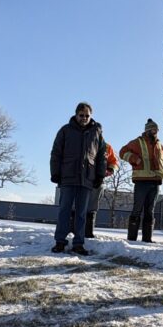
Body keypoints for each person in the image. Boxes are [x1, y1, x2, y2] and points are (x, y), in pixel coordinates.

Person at [50, 102, 107, 254]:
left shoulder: (97, 133)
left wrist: (100, 174)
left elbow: (102, 155)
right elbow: (56, 152)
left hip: (87, 178)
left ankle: (78, 243)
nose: (84, 118)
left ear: (91, 116)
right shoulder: (65, 131)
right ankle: (60, 241)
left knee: (82, 213)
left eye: (87, 116)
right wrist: (55, 172)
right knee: (64, 210)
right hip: (67, 177)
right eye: (81, 115)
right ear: (76, 115)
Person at [120, 119, 163, 242]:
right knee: (137, 208)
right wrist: (133, 158)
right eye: (153, 130)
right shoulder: (137, 142)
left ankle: (147, 239)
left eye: (156, 130)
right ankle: (131, 239)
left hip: (155, 182)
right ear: (147, 130)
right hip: (141, 181)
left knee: (150, 210)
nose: (155, 132)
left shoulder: (160, 146)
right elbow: (122, 152)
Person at [81, 141, 118, 239]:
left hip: (98, 180)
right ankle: (73, 230)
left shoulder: (106, 146)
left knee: (92, 206)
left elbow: (113, 161)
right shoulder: (83, 141)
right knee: (77, 205)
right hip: (81, 179)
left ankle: (88, 232)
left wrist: (110, 170)